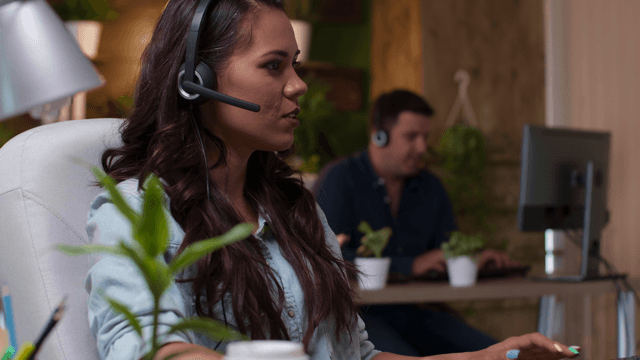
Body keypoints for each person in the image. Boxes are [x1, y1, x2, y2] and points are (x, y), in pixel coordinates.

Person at [84, 0, 580, 359]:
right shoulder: (137, 212)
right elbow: (150, 349)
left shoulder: (296, 209)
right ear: (200, 80)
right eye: (274, 66)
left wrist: (488, 358)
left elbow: (358, 357)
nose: (299, 85)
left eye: (293, 66)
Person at [313, 90, 525, 357]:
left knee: (502, 354)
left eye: (425, 137)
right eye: (411, 137)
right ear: (379, 135)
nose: (422, 148)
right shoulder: (341, 179)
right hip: (360, 316)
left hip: (417, 312)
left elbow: (447, 247)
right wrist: (409, 265)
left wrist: (473, 260)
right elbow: (322, 256)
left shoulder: (430, 186)